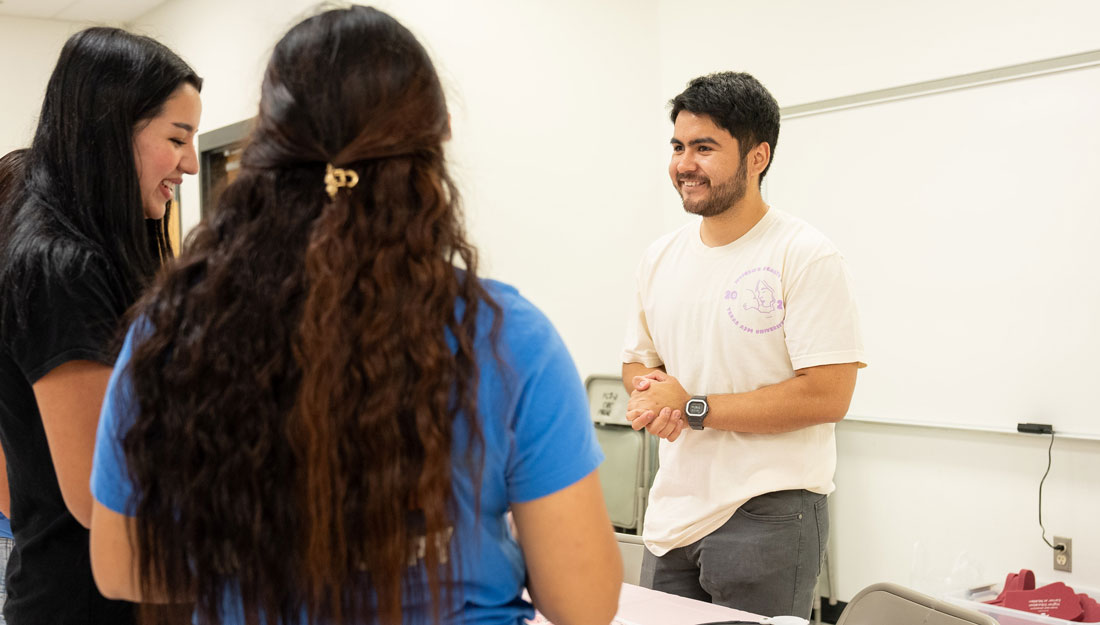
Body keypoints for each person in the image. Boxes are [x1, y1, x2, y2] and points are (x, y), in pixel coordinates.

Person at [87, 6, 621, 625]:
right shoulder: (506, 336)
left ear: (267, 148)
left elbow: (121, 567)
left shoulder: (175, 330)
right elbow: (584, 603)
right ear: (434, 143)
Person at [621, 71, 867, 619]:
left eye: (705, 148)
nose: (685, 164)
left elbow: (826, 396)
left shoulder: (804, 255)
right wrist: (649, 393)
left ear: (758, 157)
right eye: (679, 146)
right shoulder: (660, 257)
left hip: (769, 514)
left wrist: (691, 408)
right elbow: (638, 360)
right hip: (670, 515)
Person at [0, 28, 202, 625]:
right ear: (114, 132)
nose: (190, 163)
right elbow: (96, 493)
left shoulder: (108, 253)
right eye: (176, 138)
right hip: (84, 604)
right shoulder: (60, 266)